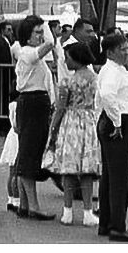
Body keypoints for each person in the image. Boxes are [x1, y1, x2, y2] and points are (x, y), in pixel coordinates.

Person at [96, 32, 128, 241]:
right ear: (110, 52)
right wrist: (116, 121)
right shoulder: (112, 71)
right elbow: (107, 95)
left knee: (110, 176)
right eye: (121, 49)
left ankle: (107, 222)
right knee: (120, 178)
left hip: (115, 120)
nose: (126, 52)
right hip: (120, 121)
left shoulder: (114, 69)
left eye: (126, 48)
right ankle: (117, 225)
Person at [47, 42, 101, 227]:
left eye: (68, 58)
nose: (65, 61)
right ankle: (88, 212)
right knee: (87, 170)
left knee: (68, 169)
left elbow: (60, 108)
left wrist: (52, 130)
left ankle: (67, 211)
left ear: (77, 58)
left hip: (70, 124)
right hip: (89, 122)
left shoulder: (67, 81)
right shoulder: (95, 78)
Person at [13, 14, 56, 220]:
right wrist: (46, 28)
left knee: (28, 151)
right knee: (30, 153)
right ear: (27, 35)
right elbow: (50, 43)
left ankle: (24, 203)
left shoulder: (28, 54)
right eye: (37, 32)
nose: (41, 36)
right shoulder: (27, 53)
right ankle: (34, 206)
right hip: (33, 102)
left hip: (35, 103)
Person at [0, 97, 20, 211]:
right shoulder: (19, 105)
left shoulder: (11, 105)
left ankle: (10, 198)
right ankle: (17, 199)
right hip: (17, 137)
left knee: (12, 171)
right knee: (17, 172)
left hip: (11, 136)